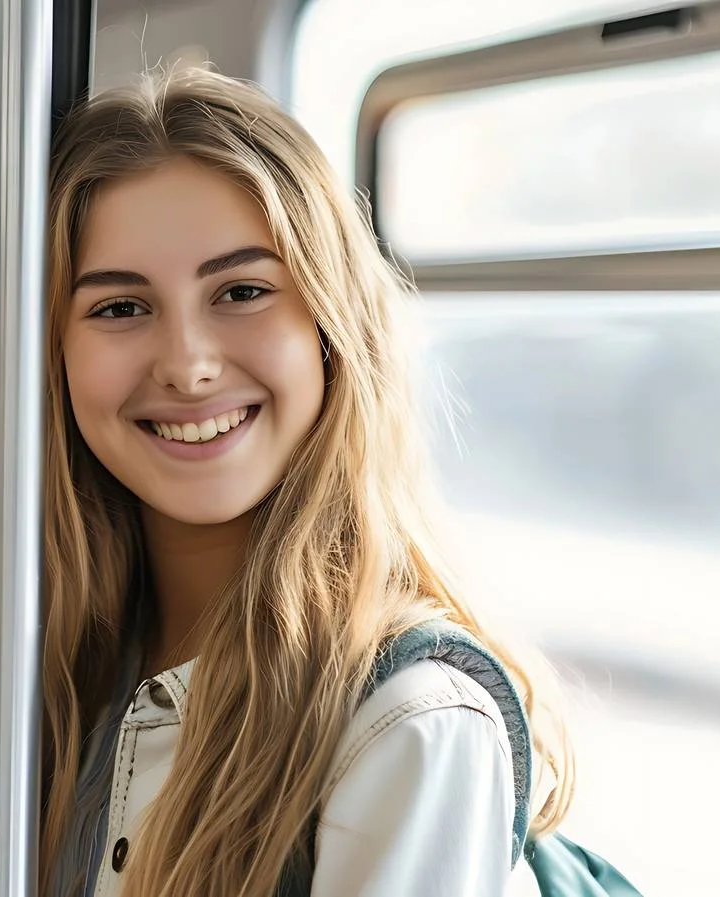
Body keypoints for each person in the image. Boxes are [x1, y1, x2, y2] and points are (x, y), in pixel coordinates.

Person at [40, 66, 574, 897]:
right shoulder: (53, 665)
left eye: (242, 292)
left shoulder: (411, 725)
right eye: (120, 307)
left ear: (330, 328)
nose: (188, 364)